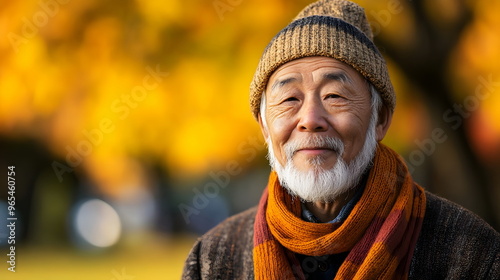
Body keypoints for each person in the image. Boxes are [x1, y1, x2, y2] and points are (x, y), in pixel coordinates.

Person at [182, 0, 500, 279]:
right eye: (289, 99)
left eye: (334, 96)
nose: (309, 120)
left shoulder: (470, 252)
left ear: (380, 119)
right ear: (265, 126)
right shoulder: (213, 260)